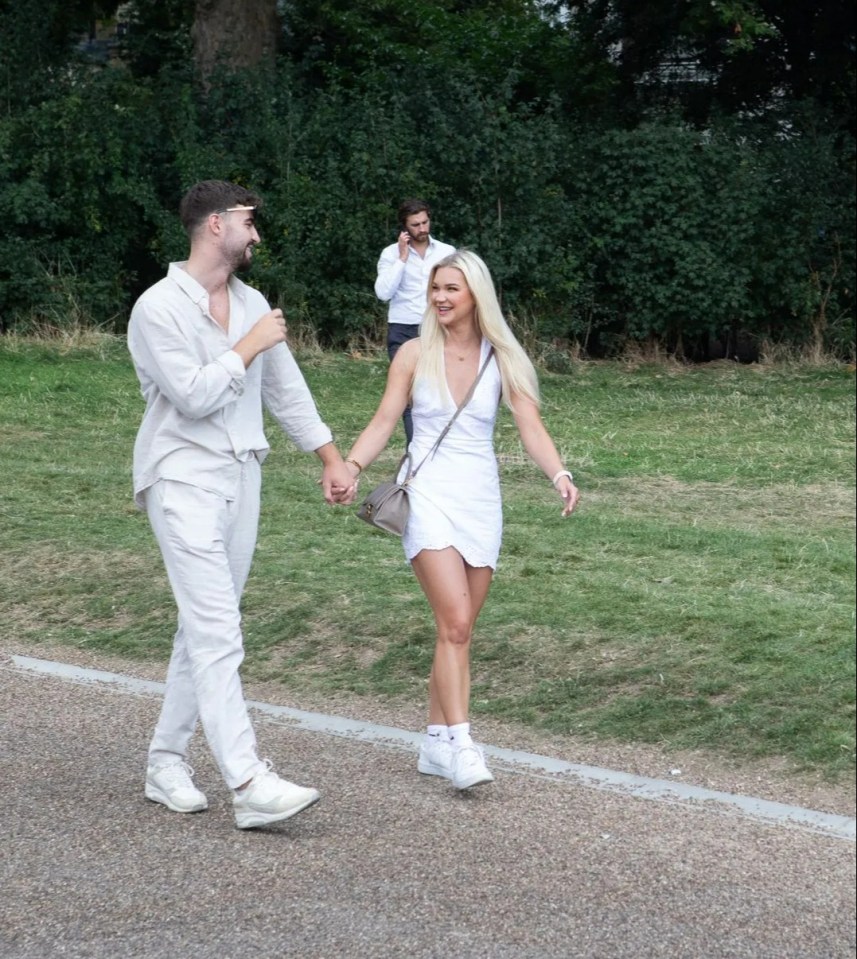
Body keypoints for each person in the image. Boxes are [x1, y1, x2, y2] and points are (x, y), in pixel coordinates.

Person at [127, 180, 356, 829]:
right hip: (180, 476)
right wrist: (248, 344)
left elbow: (285, 390)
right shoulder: (157, 308)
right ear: (215, 224)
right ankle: (249, 781)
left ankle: (165, 760)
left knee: (204, 624)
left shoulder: (252, 301)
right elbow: (193, 396)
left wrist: (331, 459)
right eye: (249, 224)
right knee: (218, 629)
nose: (257, 236)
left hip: (241, 474)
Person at [343, 250, 580, 790]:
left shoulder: (503, 356)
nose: (440, 298)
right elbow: (384, 420)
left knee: (459, 630)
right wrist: (353, 466)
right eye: (435, 288)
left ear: (476, 295)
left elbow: (531, 427)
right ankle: (464, 745)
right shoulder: (411, 353)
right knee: (453, 623)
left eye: (452, 288)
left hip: (480, 499)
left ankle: (433, 741)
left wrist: (559, 474)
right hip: (426, 495)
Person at [374, 199, 455, 445]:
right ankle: (415, 449)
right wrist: (402, 258)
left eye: (425, 222)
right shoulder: (390, 254)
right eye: (415, 225)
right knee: (408, 395)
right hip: (403, 329)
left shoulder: (447, 252)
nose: (422, 228)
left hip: (439, 328)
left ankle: (441, 446)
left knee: (440, 392)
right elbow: (383, 293)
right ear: (405, 227)